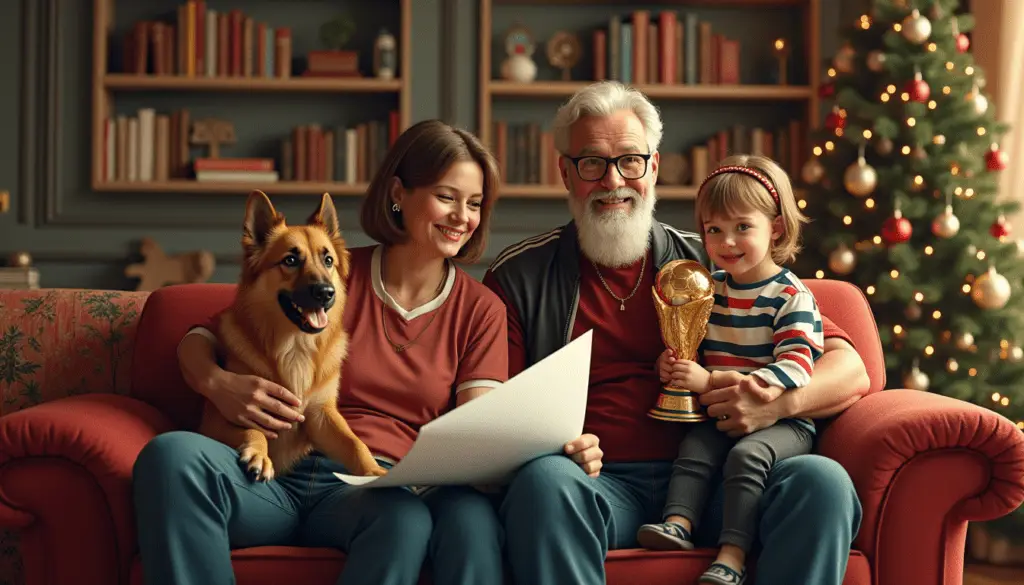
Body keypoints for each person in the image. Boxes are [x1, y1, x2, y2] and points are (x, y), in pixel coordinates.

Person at [482, 81, 869, 585]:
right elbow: (495, 407)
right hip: (596, 484)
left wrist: (778, 404)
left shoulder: (715, 259)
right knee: (545, 481)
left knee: (822, 481)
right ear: (566, 173)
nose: (613, 180)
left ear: (655, 167)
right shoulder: (520, 275)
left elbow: (851, 369)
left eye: (630, 160)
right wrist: (555, 445)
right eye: (592, 163)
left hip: (722, 483)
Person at [132, 119, 510, 585]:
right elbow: (207, 334)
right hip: (267, 475)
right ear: (398, 193)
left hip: (369, 489)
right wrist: (218, 383)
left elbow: (477, 432)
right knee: (169, 456)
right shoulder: (327, 271)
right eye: (447, 197)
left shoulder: (482, 310)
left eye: (474, 204)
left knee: (404, 519)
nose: (462, 217)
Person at [636, 155, 825, 585]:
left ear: (775, 228)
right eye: (714, 230)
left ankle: (733, 554)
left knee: (747, 456)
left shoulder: (790, 295)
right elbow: (693, 346)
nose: (727, 242)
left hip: (783, 421)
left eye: (743, 227)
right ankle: (677, 524)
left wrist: (743, 385)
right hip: (720, 415)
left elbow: (798, 363)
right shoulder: (710, 288)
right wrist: (673, 364)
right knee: (696, 447)